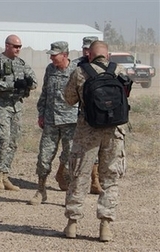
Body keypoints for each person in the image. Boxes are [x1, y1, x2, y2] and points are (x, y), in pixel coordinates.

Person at [63, 41, 128, 242]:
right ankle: (105, 227)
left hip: (87, 131)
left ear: (89, 55)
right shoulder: (120, 70)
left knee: (79, 176)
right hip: (114, 131)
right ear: (107, 55)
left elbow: (68, 99)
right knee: (110, 178)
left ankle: (72, 224)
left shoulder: (80, 72)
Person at [0, 34, 37, 191]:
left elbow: (34, 81)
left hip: (16, 106)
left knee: (13, 142)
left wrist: (28, 84)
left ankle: (6, 174)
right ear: (7, 45)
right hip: (1, 106)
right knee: (3, 139)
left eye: (20, 47)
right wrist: (13, 84)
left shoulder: (21, 63)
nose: (18, 49)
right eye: (15, 46)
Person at [28, 41, 78, 205]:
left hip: (71, 122)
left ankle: (70, 194)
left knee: (71, 158)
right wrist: (41, 113)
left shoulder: (76, 71)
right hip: (50, 121)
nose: (51, 58)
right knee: (44, 157)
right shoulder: (50, 70)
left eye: (54, 55)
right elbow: (45, 93)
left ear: (65, 55)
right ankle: (41, 191)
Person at [73, 36, 102, 194]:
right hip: (81, 113)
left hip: (101, 115)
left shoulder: (106, 66)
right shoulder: (76, 65)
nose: (86, 51)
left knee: (97, 149)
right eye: (84, 48)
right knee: (78, 150)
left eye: (89, 48)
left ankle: (95, 179)